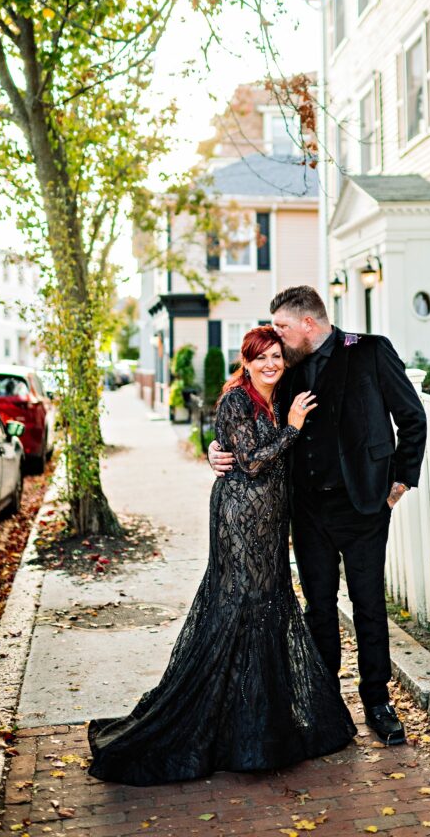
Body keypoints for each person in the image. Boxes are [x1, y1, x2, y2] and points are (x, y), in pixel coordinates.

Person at [88, 325, 356, 786]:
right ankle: (224, 728)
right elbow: (250, 462)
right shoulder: (237, 398)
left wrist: (274, 430)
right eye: (261, 358)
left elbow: (260, 454)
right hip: (239, 518)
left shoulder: (278, 394)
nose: (271, 364)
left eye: (276, 356)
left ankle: (258, 726)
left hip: (271, 519)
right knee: (239, 607)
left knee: (268, 606)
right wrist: (291, 428)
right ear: (246, 362)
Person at [209, 286, 427, 746]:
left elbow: (412, 418)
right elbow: (250, 416)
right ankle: (326, 701)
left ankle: (377, 701)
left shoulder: (370, 351)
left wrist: (401, 482)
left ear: (308, 323)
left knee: (368, 605)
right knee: (319, 608)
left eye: (283, 326)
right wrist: (218, 450)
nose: (277, 336)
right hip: (306, 511)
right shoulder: (283, 366)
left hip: (364, 506)